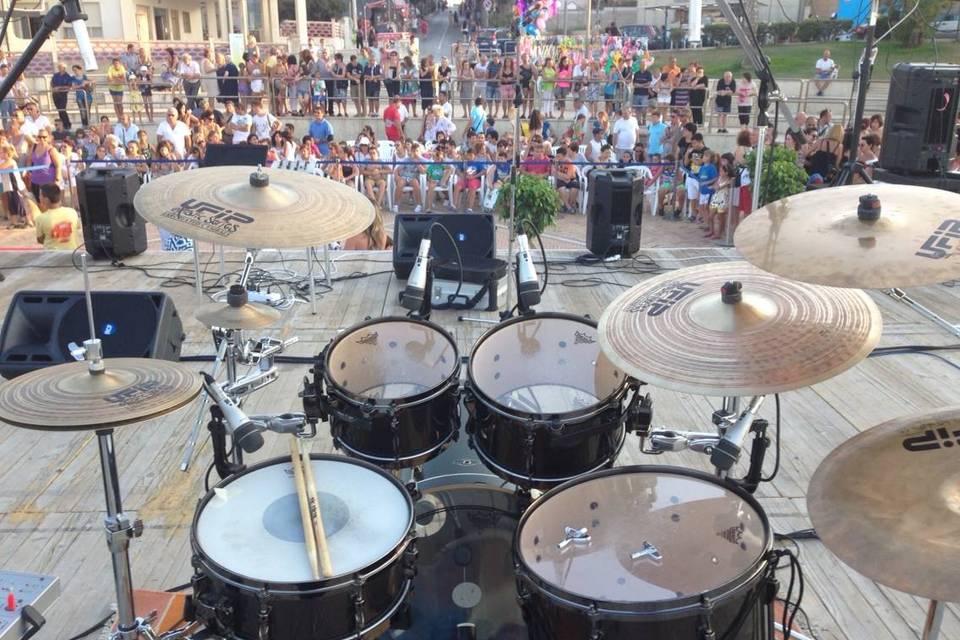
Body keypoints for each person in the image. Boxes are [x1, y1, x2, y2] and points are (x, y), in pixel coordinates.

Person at [34, 183, 80, 250]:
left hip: (52, 256)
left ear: (46, 199)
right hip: (73, 253)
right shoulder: (72, 212)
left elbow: (40, 240)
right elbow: (76, 228)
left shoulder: (40, 218)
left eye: (40, 195)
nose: (39, 197)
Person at [392, 142, 424, 212]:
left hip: (414, 177)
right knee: (400, 183)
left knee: (415, 183)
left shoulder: (421, 160)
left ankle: (419, 204)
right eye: (414, 151)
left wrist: (417, 163)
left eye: (417, 151)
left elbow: (423, 171)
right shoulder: (407, 159)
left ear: (419, 152)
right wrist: (397, 176)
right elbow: (397, 169)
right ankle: (396, 204)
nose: (415, 153)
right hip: (404, 176)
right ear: (411, 151)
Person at [697, 150, 718, 235]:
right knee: (702, 207)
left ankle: (709, 224)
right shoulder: (702, 167)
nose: (704, 158)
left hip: (709, 190)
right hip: (702, 190)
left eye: (707, 156)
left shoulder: (712, 167)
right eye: (704, 156)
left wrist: (707, 183)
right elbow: (699, 179)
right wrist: (699, 190)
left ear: (711, 158)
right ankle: (706, 223)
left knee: (706, 207)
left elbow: (715, 178)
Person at [553, 146, 579, 212]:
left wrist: (558, 173)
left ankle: (569, 205)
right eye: (557, 156)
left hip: (571, 179)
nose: (558, 158)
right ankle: (568, 206)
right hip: (561, 179)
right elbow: (553, 172)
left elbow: (568, 176)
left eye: (559, 156)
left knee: (575, 186)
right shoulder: (555, 162)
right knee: (561, 188)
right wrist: (562, 177)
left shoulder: (569, 163)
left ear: (564, 156)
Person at [50, 63, 73, 130]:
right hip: (55, 94)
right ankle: (63, 124)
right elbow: (52, 82)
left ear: (64, 68)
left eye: (61, 67)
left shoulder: (67, 76)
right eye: (59, 67)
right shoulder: (55, 75)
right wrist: (53, 88)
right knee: (59, 110)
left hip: (63, 94)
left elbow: (69, 86)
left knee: (62, 109)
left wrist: (59, 88)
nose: (59, 68)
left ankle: (67, 124)